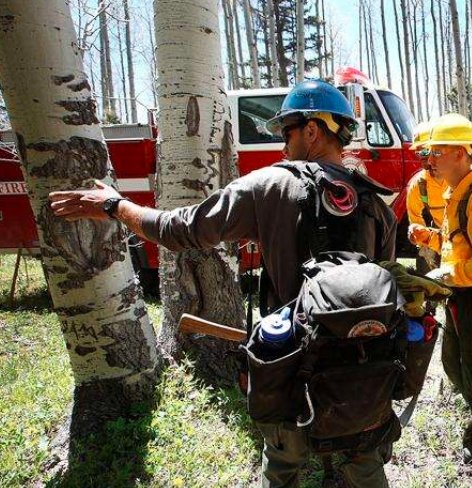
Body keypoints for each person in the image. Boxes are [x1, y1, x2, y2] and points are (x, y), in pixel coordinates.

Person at [49, 79, 397, 488]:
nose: (283, 145)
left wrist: (115, 206)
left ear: (312, 130)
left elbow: (181, 230)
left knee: (283, 467)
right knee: (365, 465)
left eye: (287, 132)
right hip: (363, 369)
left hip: (292, 367)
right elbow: (384, 283)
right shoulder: (375, 201)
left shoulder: (269, 185)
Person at [407, 113, 472, 465]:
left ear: (461, 153)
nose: (430, 159)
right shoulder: (457, 194)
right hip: (461, 297)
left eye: (438, 152)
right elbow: (459, 243)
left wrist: (448, 276)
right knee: (454, 362)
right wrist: (429, 238)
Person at [405, 120, 447, 275]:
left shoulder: (459, 178)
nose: (421, 159)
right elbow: (415, 219)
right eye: (418, 153)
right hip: (442, 239)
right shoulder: (419, 185)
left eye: (424, 152)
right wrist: (424, 244)